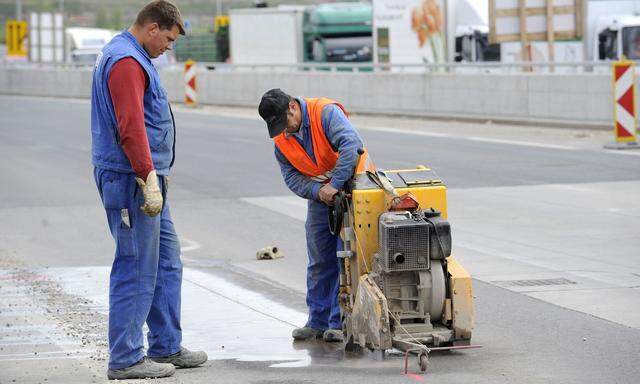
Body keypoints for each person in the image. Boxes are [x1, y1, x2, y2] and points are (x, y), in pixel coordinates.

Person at [91, 1, 207, 379]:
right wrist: (147, 176)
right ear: (152, 27)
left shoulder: (133, 56)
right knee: (137, 265)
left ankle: (166, 344)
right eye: (168, 39)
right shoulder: (126, 61)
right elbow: (130, 127)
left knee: (167, 261)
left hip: (146, 180)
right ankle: (125, 358)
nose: (168, 48)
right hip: (133, 182)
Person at [258, 89, 365, 342]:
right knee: (319, 260)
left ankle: (339, 323)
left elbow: (352, 145)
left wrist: (335, 185)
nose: (285, 131)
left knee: (344, 258)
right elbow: (292, 178)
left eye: (285, 123)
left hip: (353, 189)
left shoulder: (325, 113)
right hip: (322, 198)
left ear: (293, 107)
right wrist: (320, 192)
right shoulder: (282, 141)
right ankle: (317, 321)